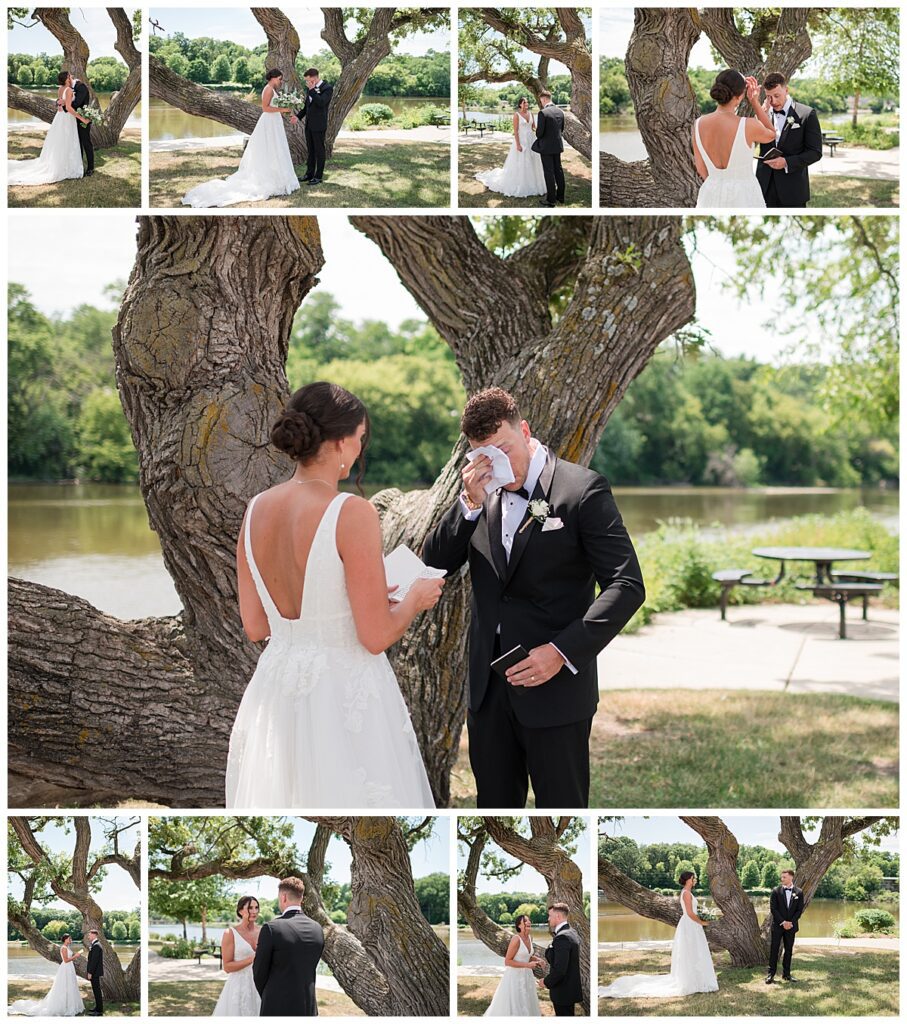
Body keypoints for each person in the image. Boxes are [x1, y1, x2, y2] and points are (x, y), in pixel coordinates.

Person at [423, 386, 644, 808]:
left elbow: (626, 584)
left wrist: (561, 652)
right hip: (489, 694)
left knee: (561, 814)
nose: (496, 465)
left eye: (504, 449)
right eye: (483, 455)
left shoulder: (581, 490)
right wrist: (469, 502)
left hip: (557, 690)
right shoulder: (478, 497)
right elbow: (435, 565)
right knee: (494, 814)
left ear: (524, 430)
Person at [227, 381, 440, 808]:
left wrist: (352, 599)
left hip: (277, 690)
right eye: (360, 440)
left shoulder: (255, 510)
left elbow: (255, 626)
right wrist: (416, 598)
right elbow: (375, 636)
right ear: (341, 442)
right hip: (344, 695)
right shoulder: (352, 512)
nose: (360, 451)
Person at [181, 69, 299, 207]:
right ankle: (272, 178)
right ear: (273, 78)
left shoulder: (271, 89)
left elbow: (272, 106)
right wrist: (282, 109)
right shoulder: (268, 89)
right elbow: (266, 108)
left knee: (275, 148)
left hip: (274, 122)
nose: (280, 81)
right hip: (269, 122)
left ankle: (278, 177)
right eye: (279, 79)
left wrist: (285, 108)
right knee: (271, 147)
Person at [599, 871, 718, 998]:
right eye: (693, 878)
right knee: (690, 951)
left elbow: (692, 911)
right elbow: (689, 913)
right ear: (688, 879)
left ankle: (697, 978)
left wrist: (701, 917)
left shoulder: (687, 892)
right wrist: (702, 922)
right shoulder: (687, 894)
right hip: (690, 924)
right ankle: (690, 981)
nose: (695, 879)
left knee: (693, 951)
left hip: (691, 925)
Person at [693, 69, 775, 208]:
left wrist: (719, 183)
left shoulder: (698, 124)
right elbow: (771, 133)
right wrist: (755, 102)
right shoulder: (748, 125)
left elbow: (700, 167)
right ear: (740, 95)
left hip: (711, 192)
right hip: (744, 194)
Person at [253, 877, 324, 1016]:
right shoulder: (317, 929)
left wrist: (270, 995)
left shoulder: (271, 928)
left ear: (283, 897)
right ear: (301, 898)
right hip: (308, 1007)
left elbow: (259, 971)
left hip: (277, 1006)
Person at [755, 72, 823, 207]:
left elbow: (815, 152)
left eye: (777, 96)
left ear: (786, 90)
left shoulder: (807, 114)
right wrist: (761, 116)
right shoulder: (763, 113)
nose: (773, 101)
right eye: (769, 97)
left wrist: (786, 162)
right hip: (764, 188)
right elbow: (752, 141)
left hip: (793, 190)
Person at [8, 71, 87, 185]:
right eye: (69, 76)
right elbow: (69, 108)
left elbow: (60, 106)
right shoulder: (69, 90)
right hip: (67, 119)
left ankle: (59, 163)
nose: (71, 77)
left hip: (59, 118)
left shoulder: (60, 89)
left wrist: (63, 104)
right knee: (67, 141)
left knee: (60, 141)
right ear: (66, 79)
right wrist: (82, 119)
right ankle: (65, 167)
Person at [475, 96, 546, 198]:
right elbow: (516, 131)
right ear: (520, 104)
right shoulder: (517, 115)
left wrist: (543, 130)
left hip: (531, 140)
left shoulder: (531, 114)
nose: (526, 104)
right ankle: (521, 184)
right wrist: (518, 144)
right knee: (522, 162)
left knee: (533, 160)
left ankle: (534, 183)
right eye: (525, 103)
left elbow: (534, 127)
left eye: (527, 103)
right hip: (521, 140)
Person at [8, 933, 85, 1016]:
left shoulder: (67, 947)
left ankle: (69, 1004)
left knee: (70, 985)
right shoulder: (63, 948)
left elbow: (68, 958)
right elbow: (66, 960)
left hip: (69, 967)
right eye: (69, 938)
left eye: (71, 938)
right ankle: (63, 1006)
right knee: (63, 985)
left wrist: (75, 955)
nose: (71, 939)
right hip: (66, 968)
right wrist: (76, 956)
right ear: (65, 939)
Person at [483, 914, 544, 1016]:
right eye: (525, 921)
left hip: (527, 976)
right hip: (514, 977)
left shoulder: (530, 937)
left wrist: (538, 959)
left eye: (529, 920)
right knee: (515, 1003)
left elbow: (526, 956)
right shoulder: (516, 939)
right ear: (519, 926)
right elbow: (508, 961)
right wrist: (527, 965)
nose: (528, 922)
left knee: (527, 1001)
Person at [212, 896, 262, 1016]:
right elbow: (227, 967)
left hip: (260, 984)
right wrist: (252, 959)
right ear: (240, 911)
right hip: (238, 987)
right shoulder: (230, 933)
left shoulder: (263, 931)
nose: (254, 911)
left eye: (256, 907)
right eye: (250, 908)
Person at [290, 68, 333, 185]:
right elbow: (307, 107)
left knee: (319, 151)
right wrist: (298, 117)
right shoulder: (310, 89)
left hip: (319, 125)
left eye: (308, 80)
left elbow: (321, 103)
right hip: (309, 125)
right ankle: (309, 174)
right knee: (311, 151)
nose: (306, 83)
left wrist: (312, 90)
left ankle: (318, 177)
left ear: (314, 78)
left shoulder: (327, 88)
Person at [540, 904, 583, 1016]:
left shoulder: (562, 937)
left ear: (558, 916)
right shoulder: (571, 932)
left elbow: (560, 970)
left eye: (550, 916)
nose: (548, 919)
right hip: (568, 990)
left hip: (563, 992)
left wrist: (545, 981)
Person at [766, 869, 804, 983]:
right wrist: (783, 922)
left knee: (788, 950)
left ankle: (786, 974)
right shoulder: (776, 891)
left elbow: (799, 910)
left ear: (791, 877)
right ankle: (770, 975)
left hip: (791, 926)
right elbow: (774, 909)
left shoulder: (799, 892)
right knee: (774, 949)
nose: (782, 879)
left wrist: (790, 922)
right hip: (778, 926)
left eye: (784, 877)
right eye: (781, 877)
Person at [533, 90, 566, 206]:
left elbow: (539, 133)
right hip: (557, 146)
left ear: (544, 99)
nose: (541, 103)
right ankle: (561, 197)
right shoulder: (560, 112)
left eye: (541, 101)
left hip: (546, 147)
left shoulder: (543, 113)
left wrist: (537, 131)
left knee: (549, 172)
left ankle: (551, 200)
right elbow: (561, 129)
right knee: (559, 170)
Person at [86, 929, 104, 1016]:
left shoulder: (96, 945)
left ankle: (99, 1011)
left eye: (89, 935)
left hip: (95, 973)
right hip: (95, 972)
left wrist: (90, 972)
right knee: (96, 991)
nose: (88, 936)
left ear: (94, 935)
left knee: (97, 991)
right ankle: (97, 1008)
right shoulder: (95, 945)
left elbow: (94, 961)